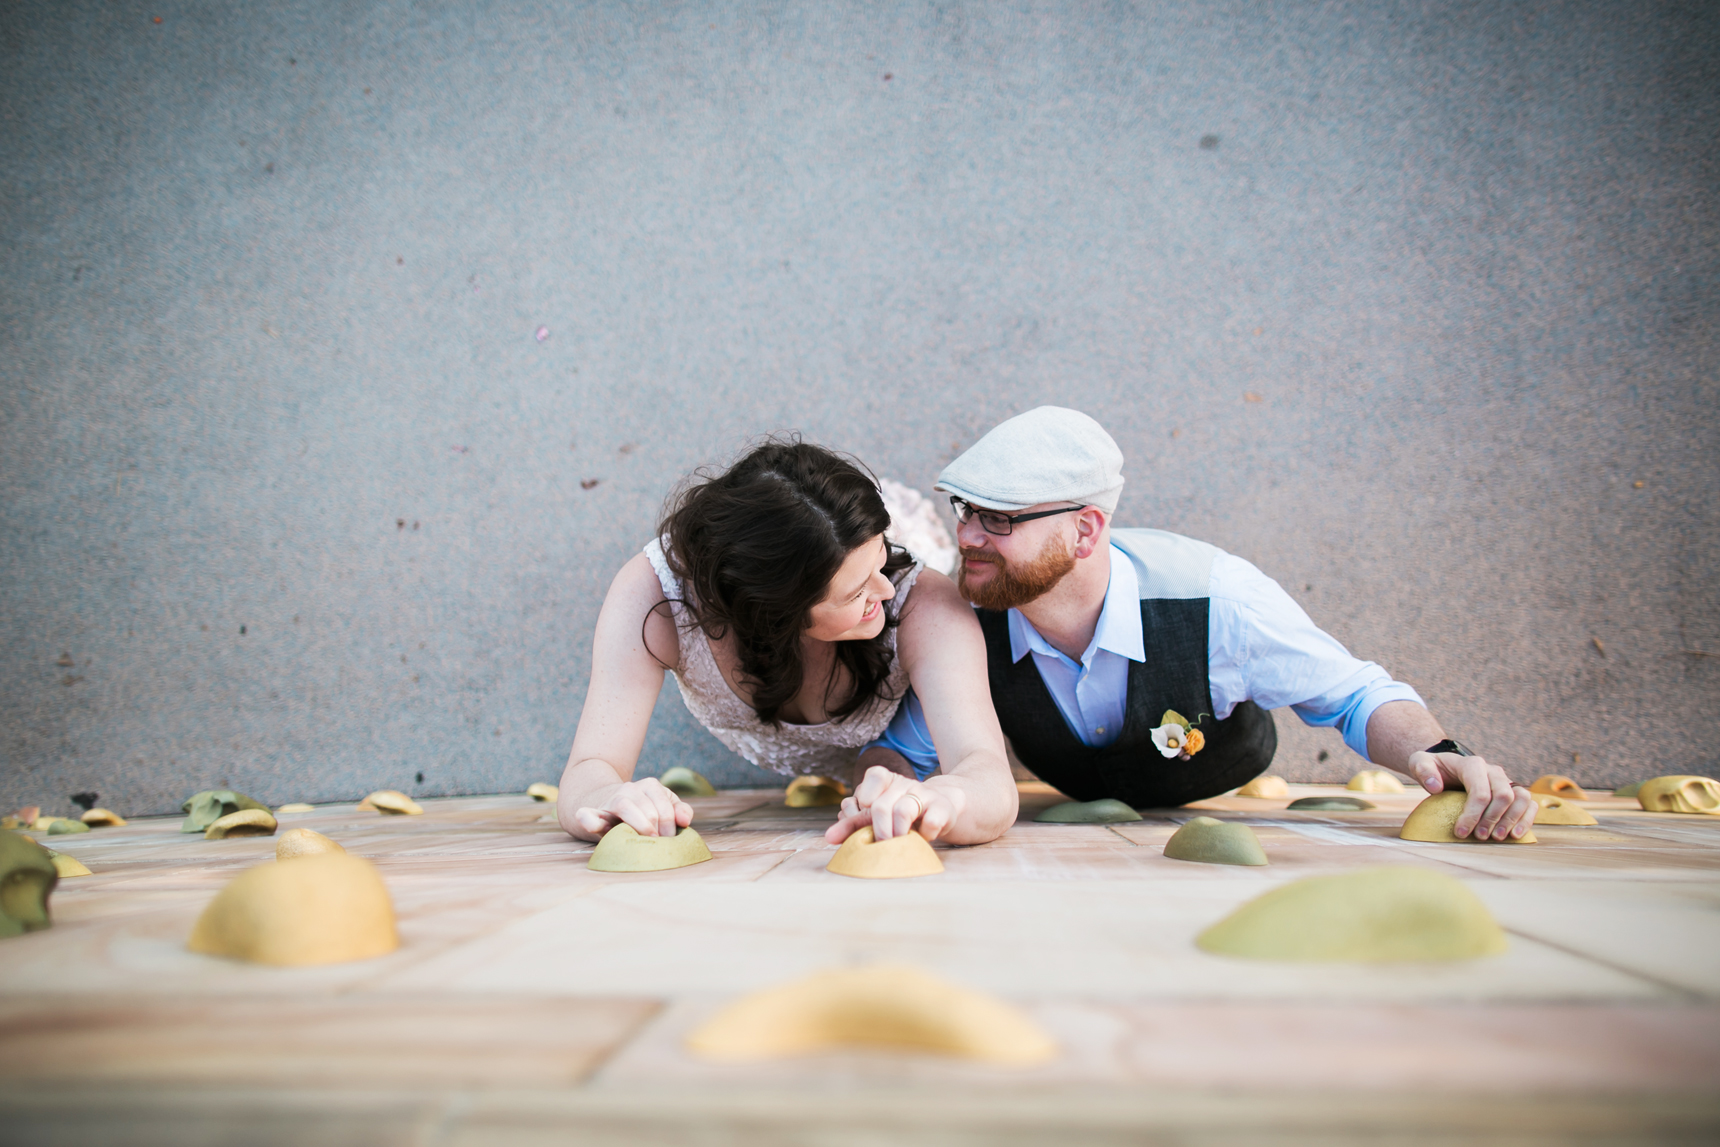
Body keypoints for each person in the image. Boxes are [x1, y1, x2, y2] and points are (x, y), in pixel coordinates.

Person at [867, 406, 1538, 842]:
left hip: (1219, 774)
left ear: (1085, 529)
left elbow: (1357, 694)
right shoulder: (967, 626)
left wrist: (1439, 749)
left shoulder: (1217, 598)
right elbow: (906, 750)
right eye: (965, 510)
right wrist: (885, 780)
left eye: (1001, 518)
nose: (968, 535)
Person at [557, 440, 1017, 848]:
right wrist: (608, 798)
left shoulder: (924, 604)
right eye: (856, 593)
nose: (886, 591)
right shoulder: (655, 599)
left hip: (923, 739)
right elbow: (591, 766)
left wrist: (946, 799)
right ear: (774, 613)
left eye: (881, 560)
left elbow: (988, 774)